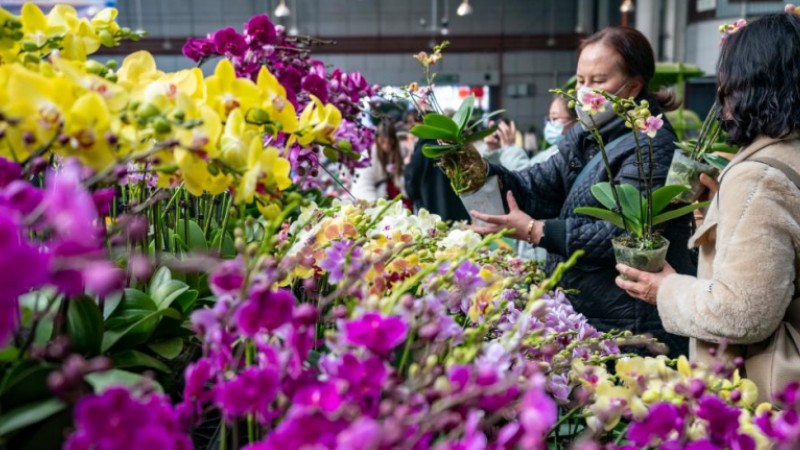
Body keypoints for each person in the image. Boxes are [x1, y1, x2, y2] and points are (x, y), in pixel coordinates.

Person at [470, 26, 694, 357]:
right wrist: (480, 169)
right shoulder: (585, 137)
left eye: (598, 81)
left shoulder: (650, 146)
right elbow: (537, 185)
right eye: (580, 80)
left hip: (630, 322)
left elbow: (620, 233)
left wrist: (536, 231)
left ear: (633, 86)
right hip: (590, 312)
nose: (584, 91)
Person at [615, 13, 800, 397]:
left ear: (750, 86)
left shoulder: (757, 177)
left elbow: (744, 312)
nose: (721, 95)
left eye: (727, 82)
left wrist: (664, 289)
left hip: (768, 399)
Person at [351, 122, 406, 203]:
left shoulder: (401, 152)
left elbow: (404, 181)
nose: (386, 146)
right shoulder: (369, 156)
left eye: (390, 142)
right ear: (377, 140)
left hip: (396, 196)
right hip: (377, 197)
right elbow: (364, 185)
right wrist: (375, 206)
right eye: (383, 142)